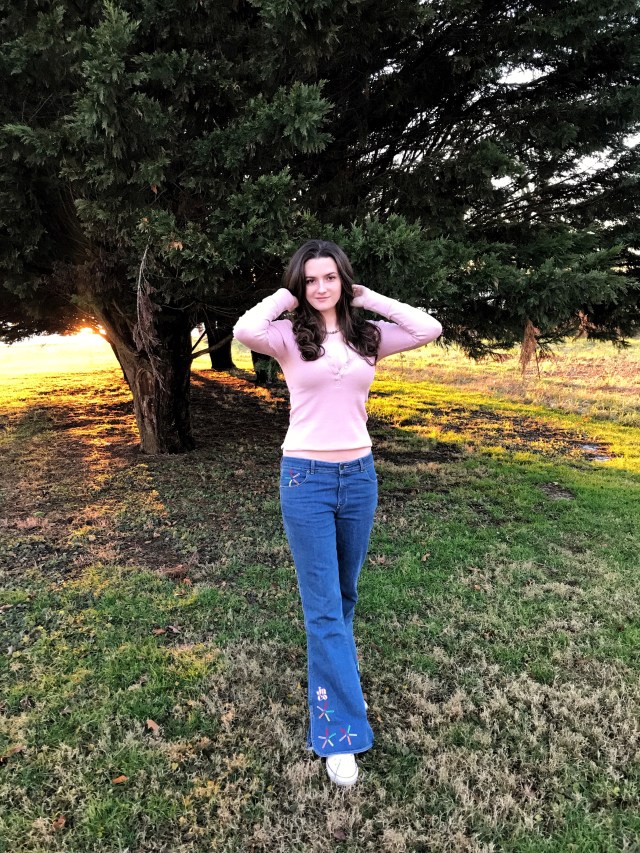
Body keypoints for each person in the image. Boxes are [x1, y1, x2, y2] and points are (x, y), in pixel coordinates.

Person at [233, 239, 442, 786]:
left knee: (344, 597)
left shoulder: (367, 336)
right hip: (305, 479)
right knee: (324, 609)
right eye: (310, 280)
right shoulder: (286, 336)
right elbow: (244, 329)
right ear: (300, 286)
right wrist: (287, 296)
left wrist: (368, 298)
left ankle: (338, 683)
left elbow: (428, 328)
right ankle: (340, 731)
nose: (321, 287)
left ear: (344, 280)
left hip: (359, 477)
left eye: (330, 277)